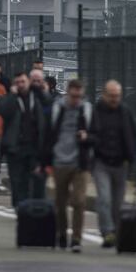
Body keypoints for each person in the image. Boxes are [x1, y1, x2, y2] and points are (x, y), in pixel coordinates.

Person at [43, 79, 92, 253]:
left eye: (79, 96)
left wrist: (87, 137)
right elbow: (49, 134)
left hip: (80, 162)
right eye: (73, 96)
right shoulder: (58, 109)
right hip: (60, 161)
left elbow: (95, 134)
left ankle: (77, 238)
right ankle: (61, 233)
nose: (76, 99)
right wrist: (46, 161)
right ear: (68, 93)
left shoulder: (86, 110)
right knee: (60, 202)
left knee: (79, 201)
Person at [86, 80, 136, 248]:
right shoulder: (96, 112)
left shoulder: (125, 112)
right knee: (104, 199)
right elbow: (91, 133)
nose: (115, 99)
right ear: (105, 95)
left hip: (121, 162)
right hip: (101, 161)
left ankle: (116, 230)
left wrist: (132, 156)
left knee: (118, 202)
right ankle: (107, 231)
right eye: (112, 96)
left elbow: (133, 134)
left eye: (117, 96)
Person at [0, 71, 47, 208]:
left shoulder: (36, 97)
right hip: (16, 147)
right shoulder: (12, 99)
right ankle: (19, 207)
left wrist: (42, 89)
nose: (21, 85)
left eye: (23, 82)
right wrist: (12, 95)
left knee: (34, 180)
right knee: (17, 180)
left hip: (34, 147)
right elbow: (2, 110)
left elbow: (48, 104)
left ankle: (30, 207)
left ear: (28, 82)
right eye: (17, 82)